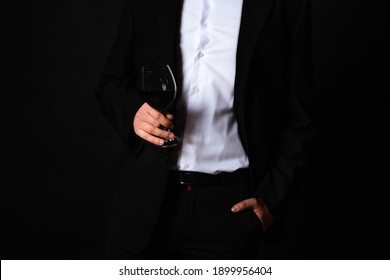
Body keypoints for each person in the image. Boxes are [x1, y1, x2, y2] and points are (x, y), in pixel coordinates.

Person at [95, 0, 313, 259]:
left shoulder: (286, 6)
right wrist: (133, 113)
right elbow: (112, 83)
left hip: (230, 210)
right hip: (144, 205)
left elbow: (300, 116)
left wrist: (271, 201)